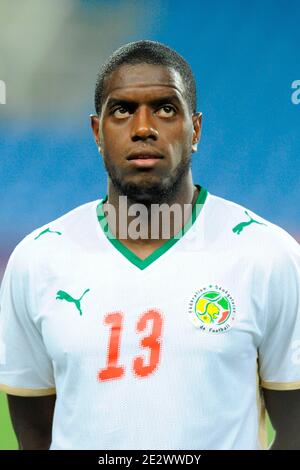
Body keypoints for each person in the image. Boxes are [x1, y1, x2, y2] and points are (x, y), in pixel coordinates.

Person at [0, 40, 299, 451]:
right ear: (96, 132)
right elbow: (34, 432)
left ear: (194, 130)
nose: (143, 127)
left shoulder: (267, 255)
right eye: (122, 110)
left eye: (165, 108)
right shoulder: (38, 260)